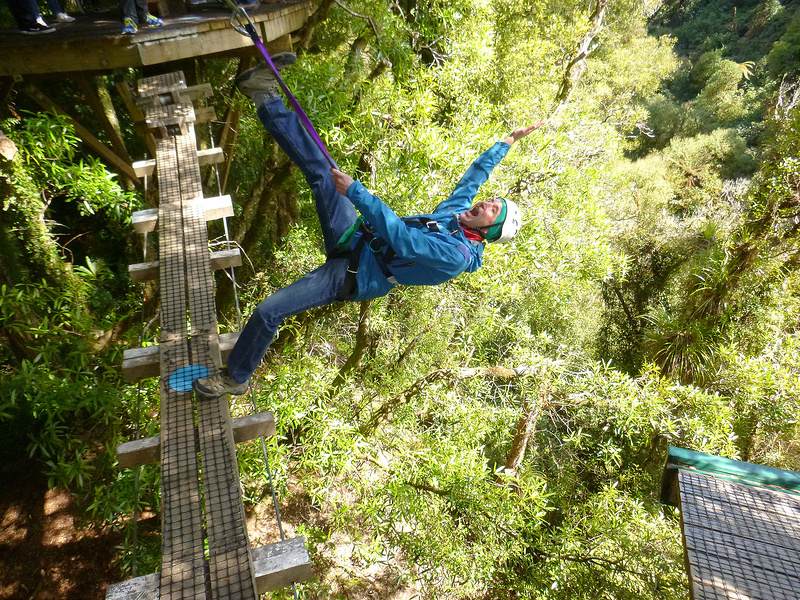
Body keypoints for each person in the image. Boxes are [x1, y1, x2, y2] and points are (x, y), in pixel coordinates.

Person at [193, 52, 543, 397]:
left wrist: (357, 193)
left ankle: (236, 377)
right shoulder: (455, 220)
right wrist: (507, 142)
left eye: (491, 211)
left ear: (487, 233)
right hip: (356, 236)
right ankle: (264, 95)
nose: (483, 203)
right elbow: (472, 180)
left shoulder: (456, 256)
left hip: (356, 274)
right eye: (491, 200)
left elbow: (404, 241)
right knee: (323, 173)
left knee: (270, 310)